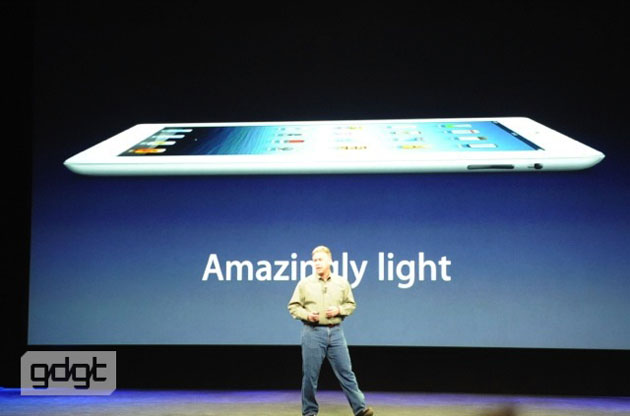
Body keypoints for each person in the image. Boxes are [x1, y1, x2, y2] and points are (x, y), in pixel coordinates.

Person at [288, 245, 374, 416]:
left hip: (336, 333)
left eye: (320, 260)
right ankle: (309, 412)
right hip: (313, 333)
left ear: (330, 261)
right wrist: (307, 315)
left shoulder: (341, 283)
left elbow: (351, 305)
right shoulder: (305, 284)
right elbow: (293, 307)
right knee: (310, 376)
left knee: (346, 373)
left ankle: (360, 409)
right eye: (314, 260)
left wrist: (339, 310)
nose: (317, 263)